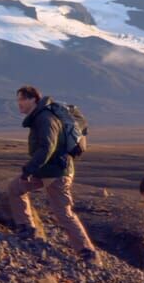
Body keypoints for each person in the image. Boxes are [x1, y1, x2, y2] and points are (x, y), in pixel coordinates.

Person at [7, 85, 101, 265]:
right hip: (46, 171)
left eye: (21, 100)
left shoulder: (45, 118)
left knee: (63, 213)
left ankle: (88, 253)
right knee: (15, 188)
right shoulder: (40, 116)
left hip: (57, 173)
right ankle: (26, 228)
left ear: (33, 99)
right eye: (18, 100)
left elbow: (47, 147)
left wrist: (29, 169)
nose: (18, 104)